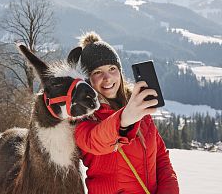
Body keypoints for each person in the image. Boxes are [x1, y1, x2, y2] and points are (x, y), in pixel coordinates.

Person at [72, 31, 179, 194]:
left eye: (112, 68)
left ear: (120, 72)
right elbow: (94, 140)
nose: (107, 78)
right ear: (87, 80)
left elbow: (161, 159)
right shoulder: (82, 117)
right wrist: (123, 120)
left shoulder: (138, 108)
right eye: (97, 72)